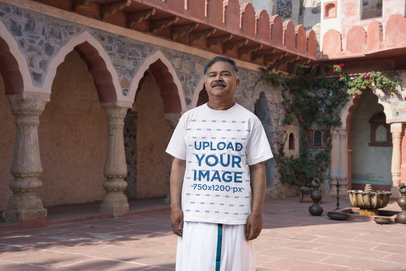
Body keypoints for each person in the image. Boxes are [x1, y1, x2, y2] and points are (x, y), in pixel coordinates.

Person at [166, 56, 273, 271]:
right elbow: (178, 164)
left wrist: (257, 213)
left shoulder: (249, 121)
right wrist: (175, 206)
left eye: (225, 74)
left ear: (237, 82)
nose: (218, 79)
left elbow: (258, 169)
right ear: (206, 82)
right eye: (212, 75)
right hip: (195, 215)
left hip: (237, 218)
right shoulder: (189, 119)